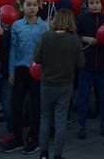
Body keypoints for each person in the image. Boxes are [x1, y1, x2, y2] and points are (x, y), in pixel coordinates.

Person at [35, 9, 85, 159]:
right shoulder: (74, 39)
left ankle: (43, 153)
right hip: (65, 83)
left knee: (45, 118)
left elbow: (37, 59)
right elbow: (81, 63)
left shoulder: (46, 36)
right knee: (61, 120)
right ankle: (58, 154)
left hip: (47, 82)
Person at [3, 0, 48, 154]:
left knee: (36, 106)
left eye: (34, 5)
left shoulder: (44, 27)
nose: (32, 8)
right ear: (22, 7)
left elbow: (46, 51)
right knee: (16, 105)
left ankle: (34, 138)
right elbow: (13, 49)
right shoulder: (17, 26)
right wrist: (11, 70)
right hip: (20, 69)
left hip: (37, 70)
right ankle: (17, 138)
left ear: (39, 7)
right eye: (28, 5)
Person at [75, 0, 104, 139]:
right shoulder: (81, 19)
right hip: (86, 65)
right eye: (91, 3)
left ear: (102, 4)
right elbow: (74, 35)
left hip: (103, 65)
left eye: (97, 2)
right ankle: (81, 125)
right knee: (83, 96)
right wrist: (85, 38)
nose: (94, 6)